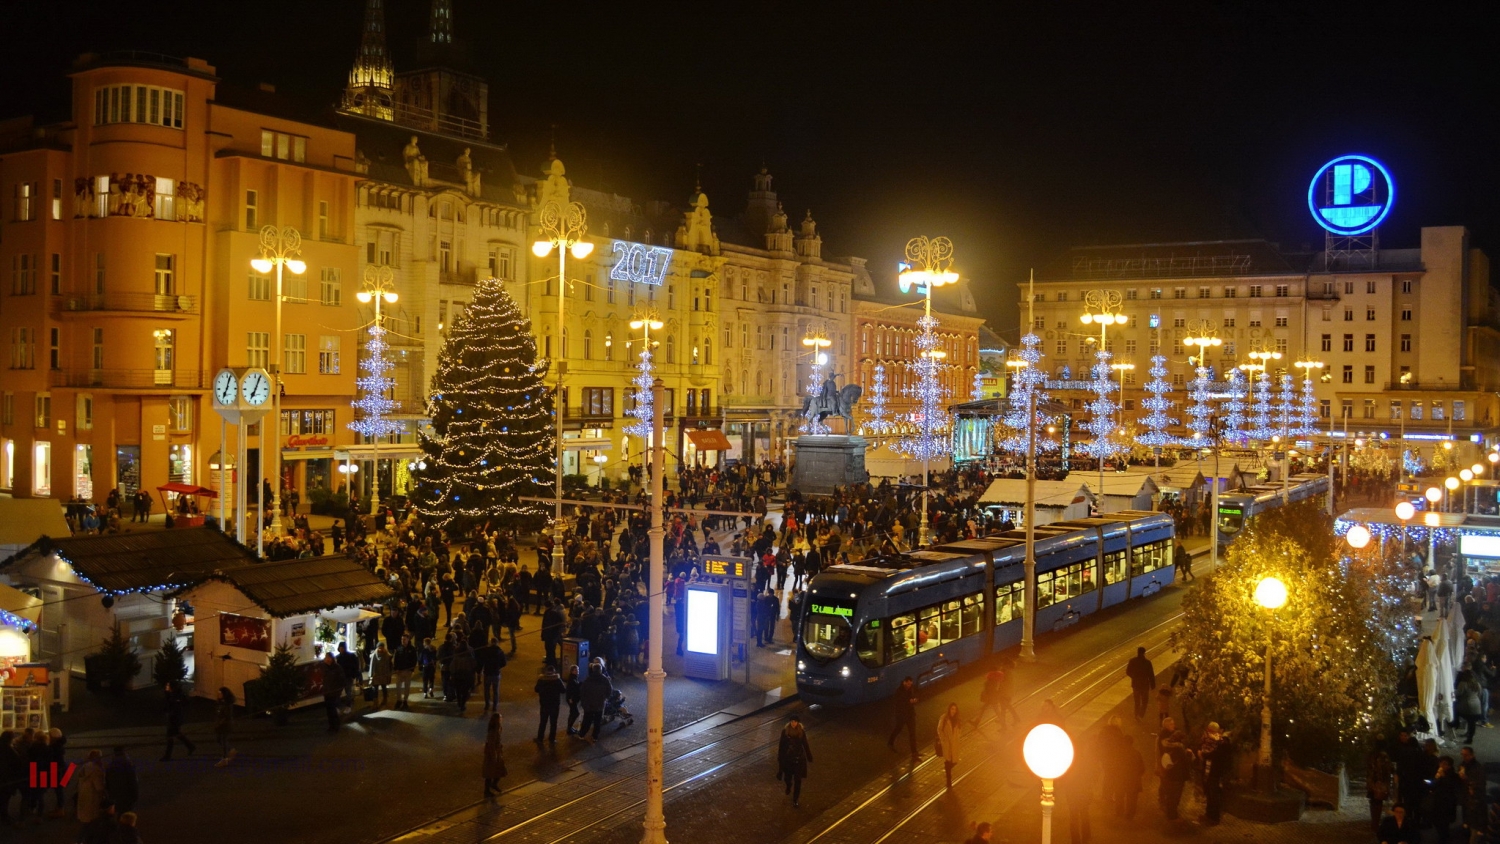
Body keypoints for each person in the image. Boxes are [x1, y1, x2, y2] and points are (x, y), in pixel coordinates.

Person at [1198, 722, 1231, 825]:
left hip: (1214, 773)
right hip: (1212, 772)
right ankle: (1209, 815)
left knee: (1213, 795)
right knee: (1210, 794)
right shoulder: (1219, 742)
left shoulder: (1222, 744)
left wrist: (1203, 754)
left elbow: (1214, 755)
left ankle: (1213, 818)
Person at [777, 716, 814, 807]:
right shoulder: (785, 732)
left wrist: (809, 756)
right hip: (788, 759)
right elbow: (781, 746)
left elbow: (805, 744)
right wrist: (780, 757)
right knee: (787, 778)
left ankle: (795, 799)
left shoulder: (801, 732)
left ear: (798, 723)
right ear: (790, 722)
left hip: (798, 759)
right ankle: (789, 786)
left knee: (798, 780)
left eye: (795, 722)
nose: (793, 723)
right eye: (792, 721)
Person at [161, 680, 197, 760]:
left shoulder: (176, 695)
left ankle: (167, 756)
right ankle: (191, 746)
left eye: (168, 685)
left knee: (170, 736)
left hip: (175, 718)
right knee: (177, 734)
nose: (166, 687)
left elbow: (176, 705)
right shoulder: (170, 694)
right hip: (173, 717)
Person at [578, 660, 612, 742]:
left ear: (593, 670)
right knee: (597, 722)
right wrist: (605, 698)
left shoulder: (588, 679)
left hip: (589, 705)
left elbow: (582, 692)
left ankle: (582, 734)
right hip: (599, 704)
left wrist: (584, 702)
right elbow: (609, 690)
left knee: (587, 720)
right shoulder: (605, 679)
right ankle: (595, 736)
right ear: (600, 670)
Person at [886, 677, 920, 758]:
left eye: (910, 683)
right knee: (898, 729)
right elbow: (899, 702)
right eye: (908, 683)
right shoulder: (899, 690)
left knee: (912, 733)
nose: (909, 685)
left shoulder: (911, 689)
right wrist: (909, 702)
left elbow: (916, 696)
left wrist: (915, 700)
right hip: (902, 715)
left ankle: (914, 752)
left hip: (910, 715)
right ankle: (890, 742)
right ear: (904, 682)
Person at [1430, 755, 1460, 844]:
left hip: (1447, 803)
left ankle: (1444, 838)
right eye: (1441, 763)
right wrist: (1436, 778)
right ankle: (1442, 836)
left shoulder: (1453, 775)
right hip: (1438, 801)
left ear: (1449, 766)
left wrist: (1443, 777)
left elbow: (1451, 787)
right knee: (1436, 821)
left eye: (1445, 764)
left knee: (1444, 823)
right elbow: (1433, 786)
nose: (1442, 765)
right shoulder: (1438, 773)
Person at [535, 664, 566, 746]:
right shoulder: (557, 680)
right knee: (553, 723)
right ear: (554, 671)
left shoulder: (541, 680)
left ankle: (540, 738)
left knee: (543, 722)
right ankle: (552, 739)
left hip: (544, 704)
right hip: (555, 705)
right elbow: (563, 690)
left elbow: (536, 689)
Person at [104, 746, 138, 814]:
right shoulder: (128, 764)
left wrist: (110, 794)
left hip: (115, 794)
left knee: (119, 811)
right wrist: (135, 795)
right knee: (127, 812)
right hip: (127, 793)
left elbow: (107, 781)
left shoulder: (110, 765)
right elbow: (133, 781)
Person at [935, 702, 961, 789]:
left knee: (955, 761)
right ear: (949, 709)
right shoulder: (944, 718)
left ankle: (947, 770)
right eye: (952, 709)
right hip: (946, 743)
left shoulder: (957, 719)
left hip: (954, 743)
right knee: (948, 761)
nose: (953, 711)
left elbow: (959, 730)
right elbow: (939, 729)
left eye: (955, 709)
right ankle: (949, 781)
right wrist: (943, 739)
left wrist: (957, 738)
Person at [1125, 646, 1155, 720]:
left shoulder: (1132, 661)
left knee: (1137, 702)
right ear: (1144, 653)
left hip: (1135, 684)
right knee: (1145, 702)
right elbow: (1151, 674)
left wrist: (1134, 677)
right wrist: (1153, 685)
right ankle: (1141, 715)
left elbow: (1128, 672)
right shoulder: (1147, 663)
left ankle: (1136, 715)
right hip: (1144, 685)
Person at [479, 637, 508, 713]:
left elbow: (482, 660)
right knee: (495, 690)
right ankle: (495, 706)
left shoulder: (486, 651)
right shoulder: (500, 652)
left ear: (490, 643)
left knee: (487, 690)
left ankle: (487, 704)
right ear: (497, 643)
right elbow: (504, 663)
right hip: (496, 673)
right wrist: (498, 666)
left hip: (487, 673)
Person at [320, 651, 346, 732]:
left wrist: (339, 690)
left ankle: (336, 725)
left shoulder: (337, 667)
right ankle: (331, 726)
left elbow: (342, 680)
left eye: (329, 658)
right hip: (327, 692)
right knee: (329, 710)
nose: (327, 660)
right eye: (326, 658)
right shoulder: (323, 667)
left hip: (334, 692)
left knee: (333, 709)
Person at [483, 712, 506, 798]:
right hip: (493, 754)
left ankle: (493, 785)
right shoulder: (493, 732)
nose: (501, 720)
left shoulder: (497, 729)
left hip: (496, 753)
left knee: (499, 771)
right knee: (490, 773)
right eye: (500, 719)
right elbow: (492, 744)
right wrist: (494, 756)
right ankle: (487, 790)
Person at [392, 634, 418, 710]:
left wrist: (411, 670)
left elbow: (414, 660)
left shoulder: (412, 649)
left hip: (407, 671)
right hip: (399, 671)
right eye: (402, 639)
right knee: (398, 687)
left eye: (404, 639)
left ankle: (405, 701)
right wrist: (395, 668)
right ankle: (399, 700)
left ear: (408, 640)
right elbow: (395, 659)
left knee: (407, 687)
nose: (403, 641)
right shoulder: (399, 648)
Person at [213, 687, 237, 767]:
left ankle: (224, 759)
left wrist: (219, 723)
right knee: (219, 740)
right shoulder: (220, 702)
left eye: (220, 693)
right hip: (220, 724)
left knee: (223, 740)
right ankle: (230, 750)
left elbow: (226, 716)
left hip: (225, 725)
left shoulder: (227, 704)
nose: (218, 694)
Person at [369, 641, 393, 708]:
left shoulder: (387, 656)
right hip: (376, 675)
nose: (380, 649)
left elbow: (390, 666)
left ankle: (384, 700)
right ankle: (375, 703)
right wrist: (371, 676)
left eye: (382, 648)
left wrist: (389, 674)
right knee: (375, 689)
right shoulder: (374, 655)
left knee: (384, 688)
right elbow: (371, 666)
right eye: (379, 648)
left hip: (384, 675)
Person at [565, 664, 583, 737]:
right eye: (575, 670)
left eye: (577, 670)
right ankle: (569, 729)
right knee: (575, 713)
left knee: (572, 713)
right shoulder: (571, 679)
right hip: (572, 699)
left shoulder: (574, 678)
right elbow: (569, 690)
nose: (577, 671)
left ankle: (570, 728)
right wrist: (570, 698)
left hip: (573, 699)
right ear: (572, 671)